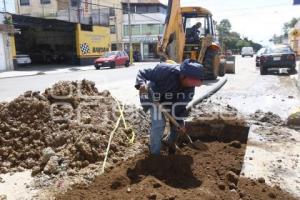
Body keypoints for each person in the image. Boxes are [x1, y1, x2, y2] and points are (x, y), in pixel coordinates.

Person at [135, 59, 204, 155]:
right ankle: (155, 154)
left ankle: (170, 144)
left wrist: (180, 123)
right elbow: (143, 73)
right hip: (153, 97)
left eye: (197, 82)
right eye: (193, 81)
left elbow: (178, 108)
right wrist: (142, 84)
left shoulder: (189, 91)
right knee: (159, 123)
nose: (194, 85)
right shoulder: (165, 70)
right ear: (183, 75)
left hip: (170, 102)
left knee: (177, 127)